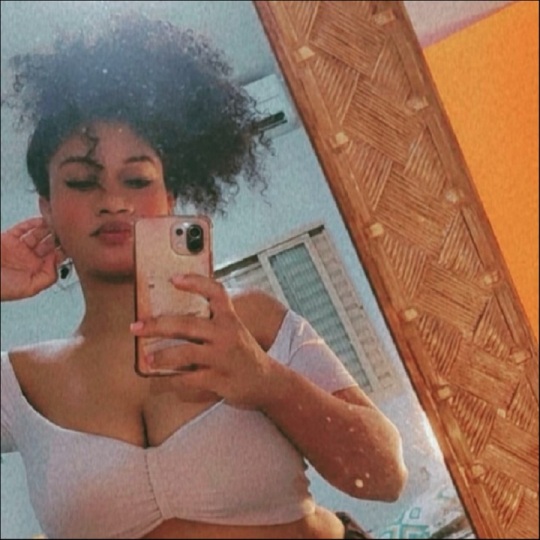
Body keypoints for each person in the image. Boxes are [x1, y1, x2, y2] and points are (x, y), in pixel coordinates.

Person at [0, 13, 408, 540]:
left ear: (170, 198)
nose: (114, 201)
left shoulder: (249, 320)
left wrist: (267, 382)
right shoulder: (20, 381)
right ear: (47, 209)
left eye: (137, 179)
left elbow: (384, 476)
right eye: (82, 182)